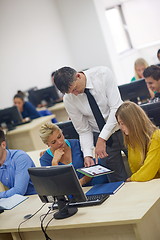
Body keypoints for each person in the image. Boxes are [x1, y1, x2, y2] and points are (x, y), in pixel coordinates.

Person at [54, 66, 128, 182]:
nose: (75, 94)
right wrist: (87, 154)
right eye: (70, 92)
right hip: (105, 141)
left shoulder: (103, 74)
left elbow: (116, 109)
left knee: (141, 168)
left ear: (78, 76)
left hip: (124, 129)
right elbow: (83, 130)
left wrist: (101, 139)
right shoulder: (69, 99)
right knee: (117, 180)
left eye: (74, 89)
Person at [39, 122, 109, 186]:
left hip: (93, 184)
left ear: (62, 133)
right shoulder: (45, 160)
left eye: (59, 136)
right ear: (47, 144)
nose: (59, 142)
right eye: (54, 142)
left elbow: (91, 168)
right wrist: (54, 163)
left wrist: (81, 182)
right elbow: (55, 185)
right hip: (69, 194)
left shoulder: (76, 143)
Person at [115, 101, 160, 182]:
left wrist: (131, 179)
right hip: (147, 185)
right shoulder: (132, 141)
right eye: (119, 124)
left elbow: (146, 173)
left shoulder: (156, 137)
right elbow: (135, 170)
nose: (121, 128)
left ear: (133, 122)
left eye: (122, 123)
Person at [0, 129, 36, 198]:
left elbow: (19, 191)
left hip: (36, 199)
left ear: (3, 145)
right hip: (17, 201)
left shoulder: (20, 158)